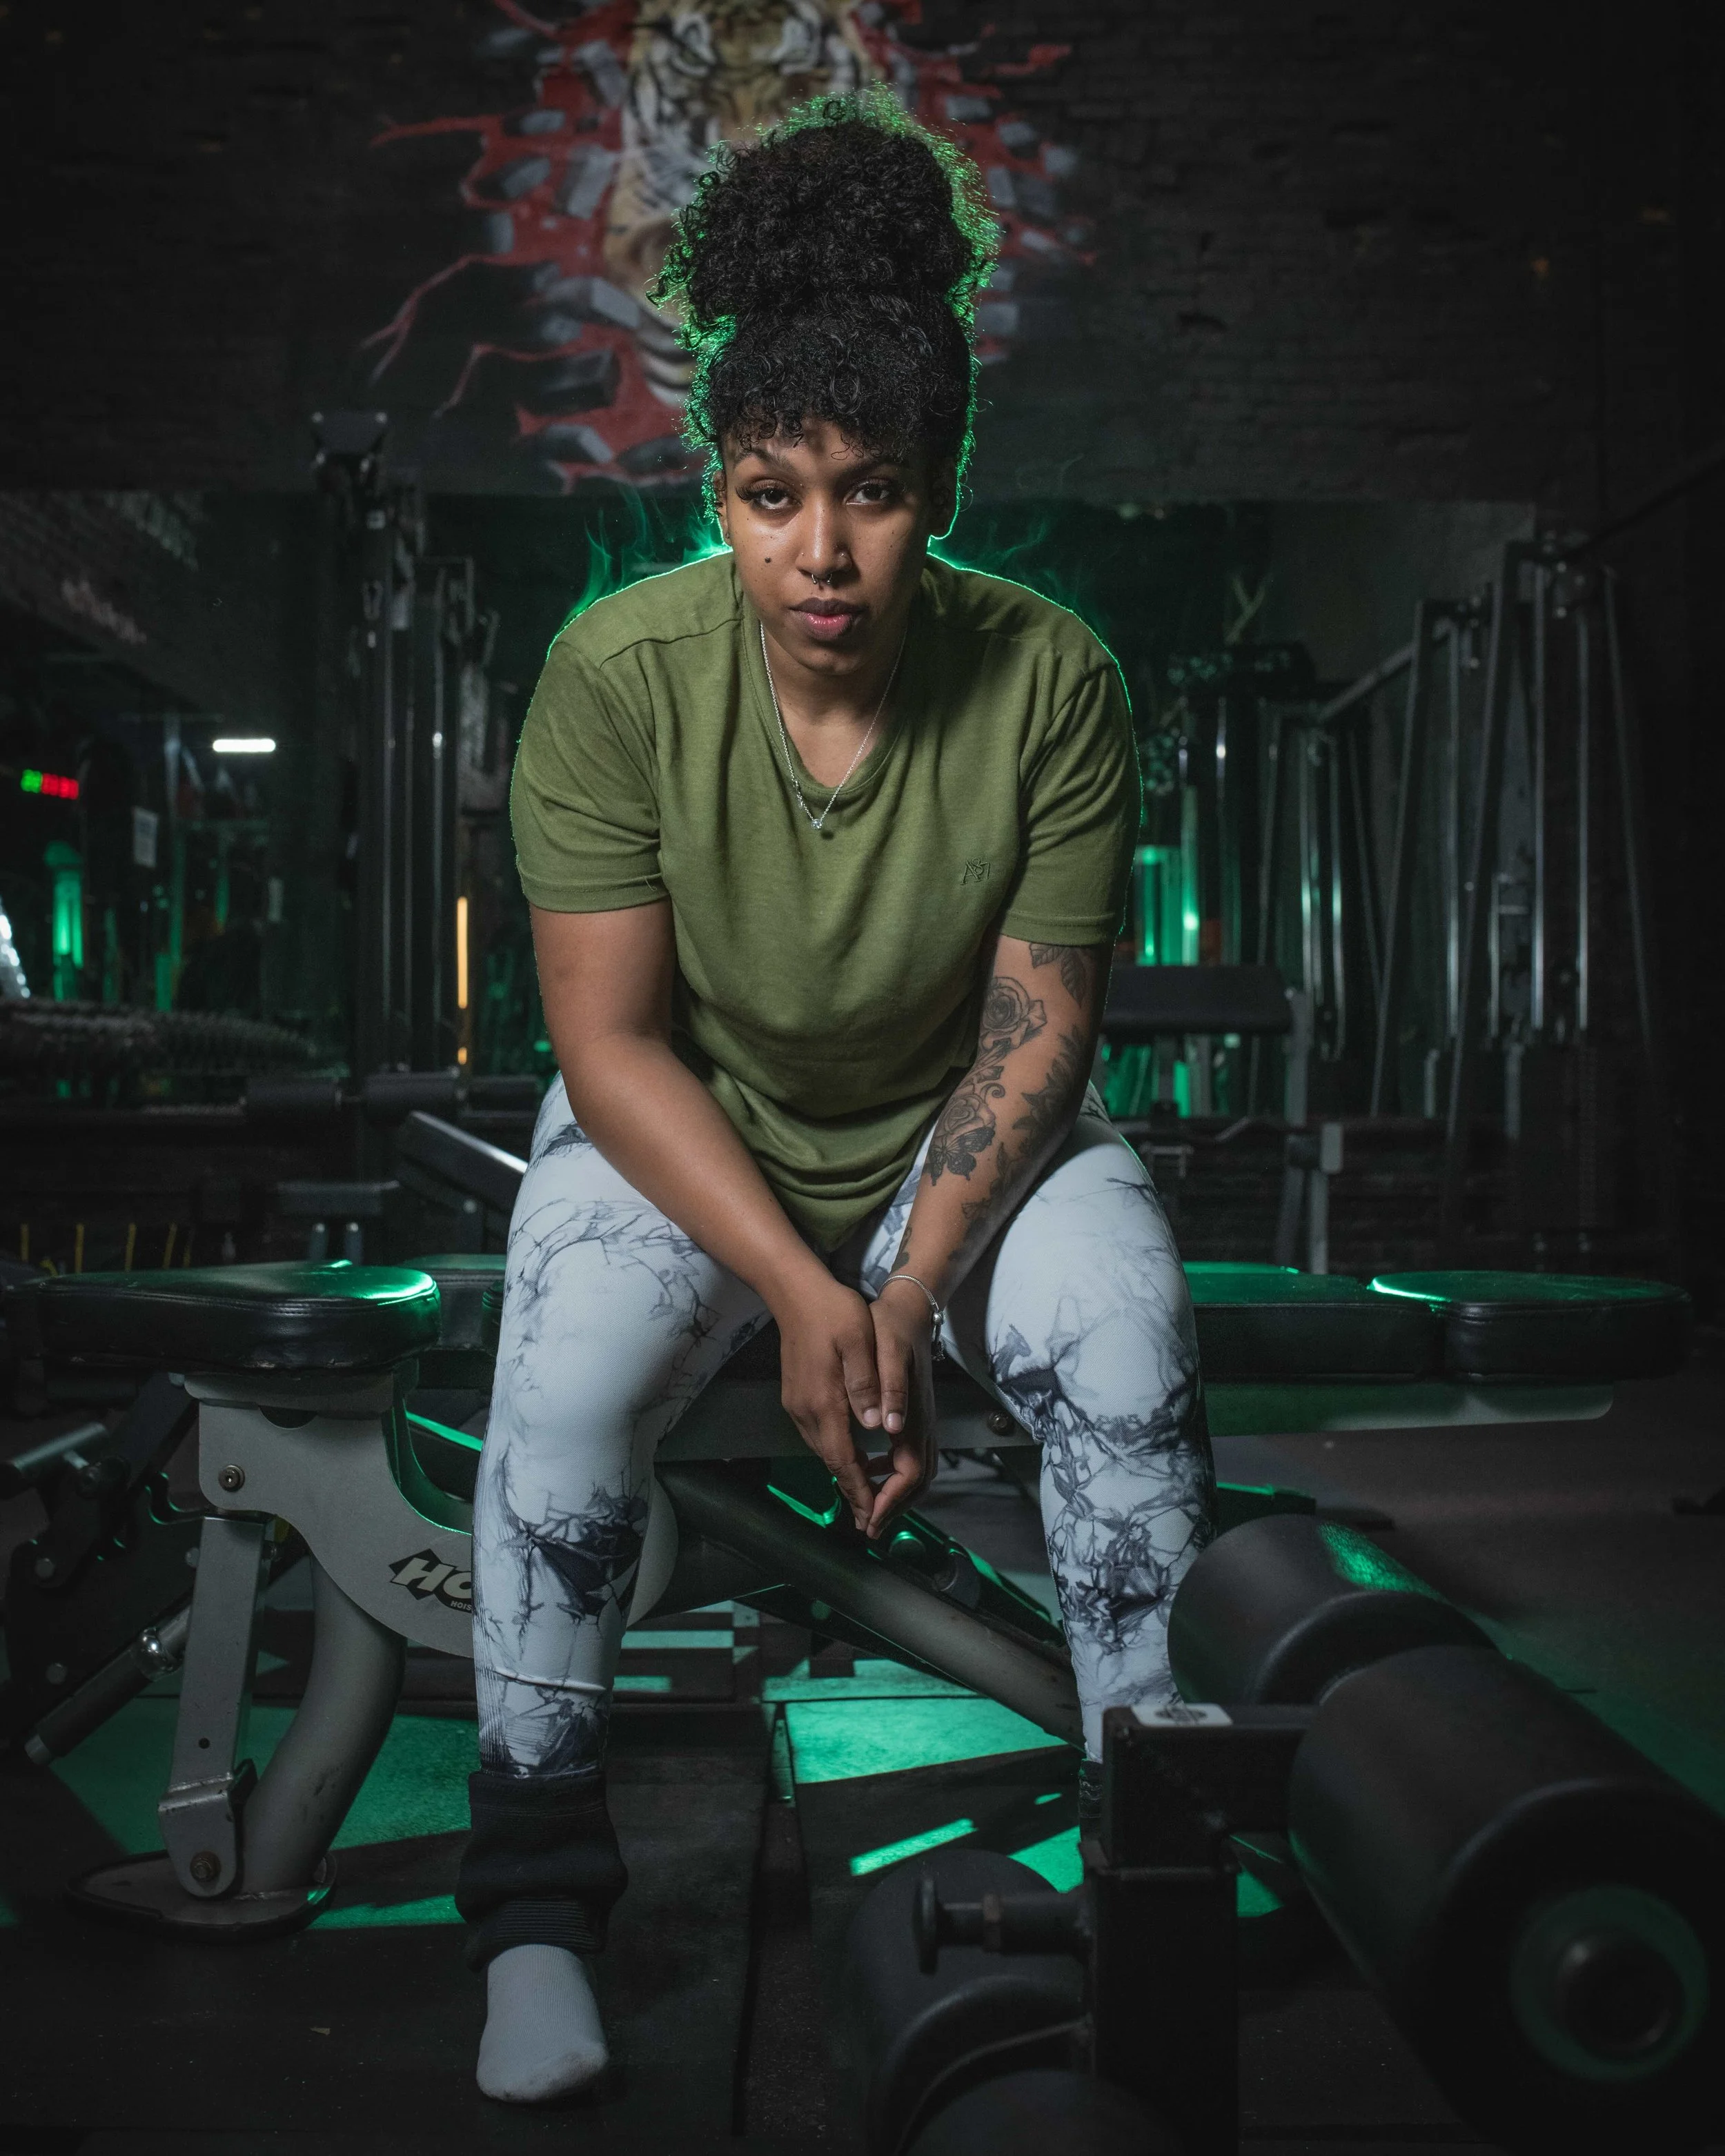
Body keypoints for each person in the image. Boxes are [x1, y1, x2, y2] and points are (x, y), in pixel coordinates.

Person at [457, 88, 1214, 2104]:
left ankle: (1161, 1868)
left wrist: (906, 1277)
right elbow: (608, 1044)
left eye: (868, 492)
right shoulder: (617, 678)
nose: (819, 551)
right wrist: (805, 1296)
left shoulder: (1048, 678)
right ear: (717, 482)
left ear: (936, 488)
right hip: (687, 1129)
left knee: (1131, 1353)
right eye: (771, 491)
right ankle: (534, 1913)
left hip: (952, 1140)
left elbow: (1036, 1032)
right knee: (556, 1400)